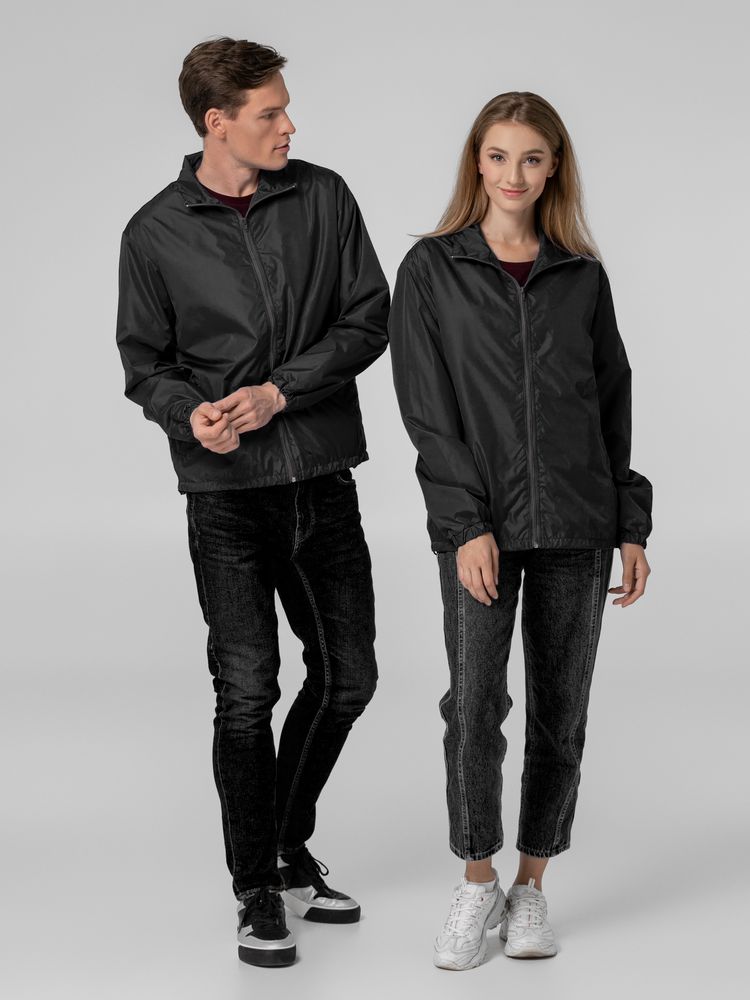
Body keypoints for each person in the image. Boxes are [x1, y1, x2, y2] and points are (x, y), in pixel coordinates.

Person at [115, 37, 389, 968]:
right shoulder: (154, 232)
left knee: (349, 677)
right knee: (247, 693)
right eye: (270, 112)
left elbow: (369, 317)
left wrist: (280, 392)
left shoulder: (324, 197)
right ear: (216, 122)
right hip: (227, 498)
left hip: (322, 479)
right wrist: (190, 414)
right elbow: (144, 365)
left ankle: (282, 839)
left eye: (285, 108)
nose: (289, 126)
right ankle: (257, 886)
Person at [388, 91, 652, 968]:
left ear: (553, 169)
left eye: (532, 158)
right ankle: (477, 881)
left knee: (560, 709)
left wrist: (631, 523)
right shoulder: (431, 269)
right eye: (499, 156)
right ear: (477, 162)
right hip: (483, 526)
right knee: (474, 705)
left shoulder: (582, 274)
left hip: (579, 518)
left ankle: (531, 884)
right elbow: (427, 411)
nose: (514, 174)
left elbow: (610, 401)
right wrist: (465, 522)